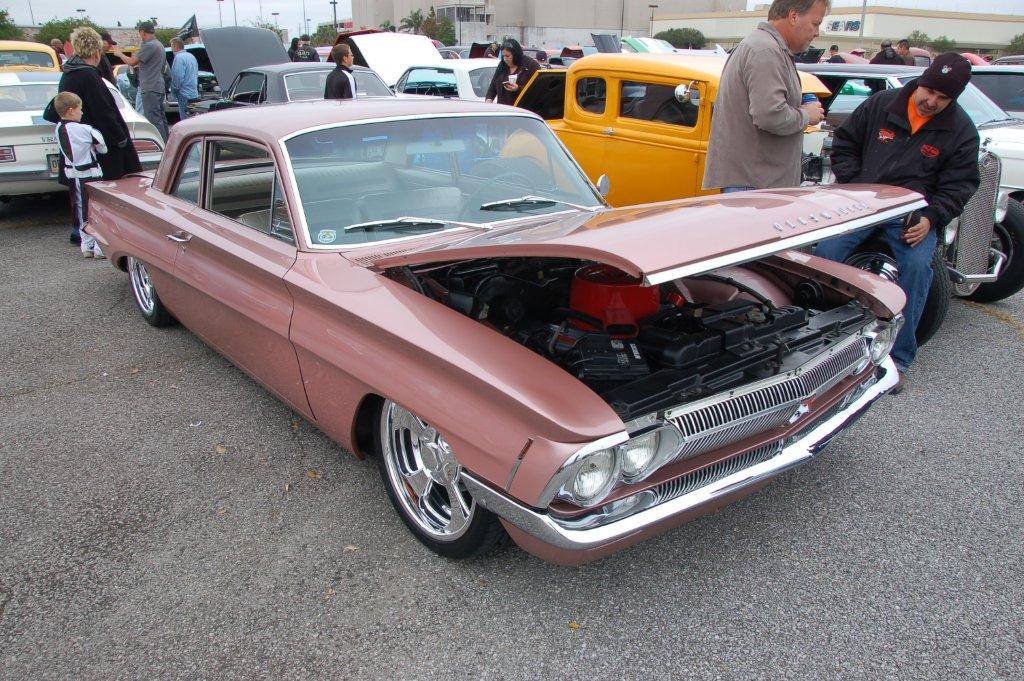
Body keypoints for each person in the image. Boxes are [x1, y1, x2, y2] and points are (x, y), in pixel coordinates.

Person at [813, 54, 980, 391]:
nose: (931, 101)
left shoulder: (961, 131)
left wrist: (931, 217)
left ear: (954, 98)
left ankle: (897, 359)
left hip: (911, 214)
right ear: (921, 81)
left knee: (917, 269)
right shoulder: (881, 104)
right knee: (824, 256)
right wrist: (855, 186)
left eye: (942, 97)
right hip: (862, 204)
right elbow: (844, 144)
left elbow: (960, 185)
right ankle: (818, 343)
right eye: (929, 91)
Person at [703, 0, 827, 193]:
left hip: (755, 183)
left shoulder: (765, 47)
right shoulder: (766, 51)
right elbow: (770, 115)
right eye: (815, 24)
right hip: (755, 187)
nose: (817, 32)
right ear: (793, 16)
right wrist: (806, 115)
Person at [53, 27, 141, 244]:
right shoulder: (88, 75)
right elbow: (104, 111)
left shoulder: (69, 73)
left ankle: (82, 231)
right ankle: (97, 234)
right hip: (97, 144)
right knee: (104, 191)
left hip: (77, 143)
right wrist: (120, 139)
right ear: (96, 52)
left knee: (81, 192)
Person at [53, 91, 107, 258]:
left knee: (80, 208)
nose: (82, 112)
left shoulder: (58, 128)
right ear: (71, 110)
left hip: (72, 174)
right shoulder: (86, 129)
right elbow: (103, 148)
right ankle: (99, 246)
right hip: (91, 174)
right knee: (95, 208)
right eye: (80, 108)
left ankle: (86, 244)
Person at [111, 21, 168, 141]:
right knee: (160, 118)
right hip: (158, 85)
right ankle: (167, 142)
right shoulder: (159, 45)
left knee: (153, 119)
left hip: (150, 86)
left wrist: (119, 54)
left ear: (142, 32)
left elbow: (132, 62)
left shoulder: (149, 46)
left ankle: (162, 145)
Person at [484, 38, 540, 106]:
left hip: (523, 109)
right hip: (503, 109)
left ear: (516, 54)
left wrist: (518, 89)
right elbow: (493, 85)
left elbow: (538, 90)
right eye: (503, 56)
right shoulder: (502, 65)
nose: (505, 59)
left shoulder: (530, 65)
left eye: (508, 56)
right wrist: (489, 99)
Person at [169, 38, 199, 119]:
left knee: (185, 118)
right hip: (194, 92)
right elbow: (196, 73)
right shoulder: (191, 56)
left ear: (174, 46)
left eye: (171, 46)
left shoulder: (179, 58)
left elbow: (177, 77)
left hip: (183, 93)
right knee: (193, 117)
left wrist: (174, 90)